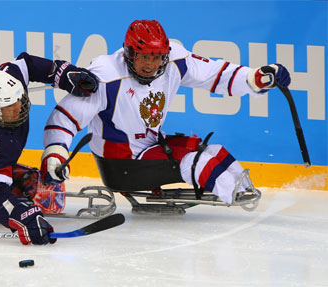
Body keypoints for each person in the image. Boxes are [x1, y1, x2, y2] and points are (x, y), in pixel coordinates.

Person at [40, 19, 291, 205]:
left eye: (156, 57)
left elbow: (215, 74)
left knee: (213, 151)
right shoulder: (106, 75)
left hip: (150, 147)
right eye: (143, 57)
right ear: (128, 53)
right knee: (196, 161)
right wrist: (55, 152)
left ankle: (242, 189)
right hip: (121, 164)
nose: (150, 65)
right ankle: (235, 196)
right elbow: (65, 117)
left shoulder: (174, 61)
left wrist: (255, 78)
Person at [0, 53, 98, 245]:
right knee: (49, 199)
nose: (18, 107)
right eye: (9, 106)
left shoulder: (5, 84)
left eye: (18, 100)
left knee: (49, 188)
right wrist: (26, 219)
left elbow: (26, 65)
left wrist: (64, 74)